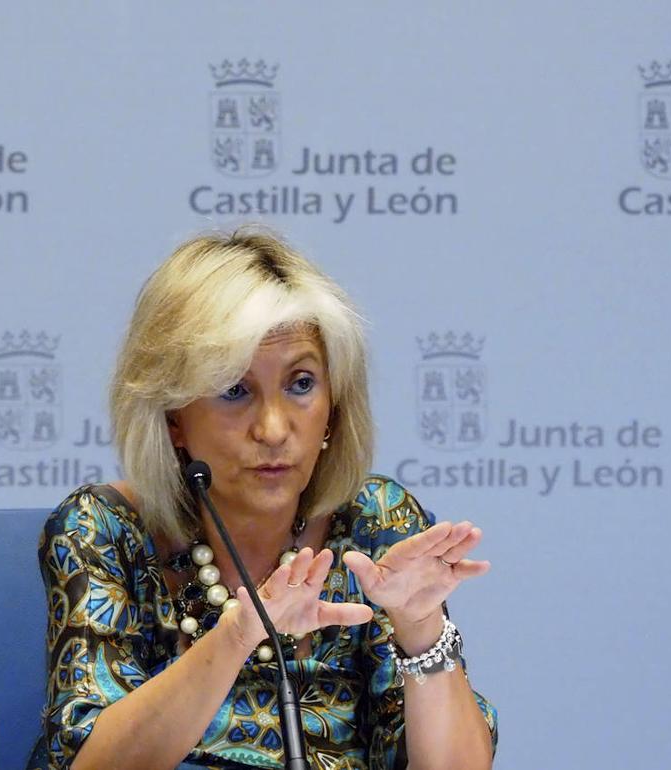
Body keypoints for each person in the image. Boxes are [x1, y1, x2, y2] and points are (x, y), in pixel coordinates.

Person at [28, 231, 497, 770]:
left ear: (334, 406)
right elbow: (91, 764)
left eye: (300, 383)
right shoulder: (102, 531)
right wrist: (239, 634)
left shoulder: (374, 524)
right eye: (234, 389)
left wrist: (421, 628)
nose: (274, 429)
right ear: (173, 418)